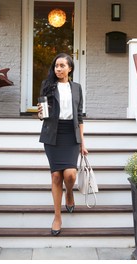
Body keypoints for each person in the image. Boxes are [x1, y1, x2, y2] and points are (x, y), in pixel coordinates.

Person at [37, 53, 88, 236]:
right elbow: (43, 112)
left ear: (70, 68)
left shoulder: (77, 88)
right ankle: (57, 217)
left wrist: (82, 142)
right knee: (56, 177)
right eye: (56, 66)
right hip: (53, 135)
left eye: (61, 66)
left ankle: (70, 193)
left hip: (70, 134)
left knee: (70, 174)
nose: (58, 69)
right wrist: (41, 113)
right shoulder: (47, 86)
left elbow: (80, 115)